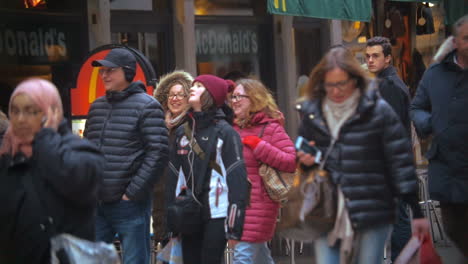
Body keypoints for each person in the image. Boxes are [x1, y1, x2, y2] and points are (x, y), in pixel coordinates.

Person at [296, 46, 429, 264]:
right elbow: (303, 156)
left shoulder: (377, 110)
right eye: (330, 84)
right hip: (327, 210)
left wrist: (415, 210)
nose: (336, 91)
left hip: (371, 210)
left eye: (342, 83)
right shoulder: (313, 113)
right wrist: (306, 161)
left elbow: (400, 161)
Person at [0, 78, 103, 263]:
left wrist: (45, 139)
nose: (21, 119)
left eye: (32, 111)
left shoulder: (78, 150)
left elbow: (75, 181)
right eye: (15, 111)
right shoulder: (7, 155)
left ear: (52, 111)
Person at [84, 48, 169, 264]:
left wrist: (132, 192)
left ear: (128, 72)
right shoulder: (97, 107)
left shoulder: (148, 106)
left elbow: (158, 152)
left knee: (134, 260)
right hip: (97, 202)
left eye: (110, 70)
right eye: (102, 71)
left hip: (129, 204)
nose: (104, 75)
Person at [166, 74, 249, 264]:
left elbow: (237, 180)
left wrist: (234, 227)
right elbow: (174, 178)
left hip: (217, 213)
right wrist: (171, 224)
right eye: (193, 85)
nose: (193, 88)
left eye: (200, 86)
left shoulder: (226, 133)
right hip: (188, 213)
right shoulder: (182, 132)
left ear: (211, 95)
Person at [410, 14, 468, 257]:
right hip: (448, 173)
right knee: (455, 233)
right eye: (466, 38)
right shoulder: (435, 74)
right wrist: (430, 123)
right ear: (455, 42)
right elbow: (417, 107)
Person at [230, 78, 296, 264]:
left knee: (242, 256)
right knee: (258, 255)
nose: (234, 101)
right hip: (237, 203)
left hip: (260, 204)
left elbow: (291, 161)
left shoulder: (271, 128)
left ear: (254, 99)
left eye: (239, 97)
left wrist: (259, 146)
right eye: (232, 97)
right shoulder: (232, 128)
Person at [365, 36, 412, 261]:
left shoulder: (390, 87)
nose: (370, 60)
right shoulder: (383, 84)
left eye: (375, 56)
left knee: (399, 219)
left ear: (388, 59)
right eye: (367, 56)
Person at [152, 70, 193, 245]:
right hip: (160, 196)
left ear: (188, 99)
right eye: (171, 95)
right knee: (166, 246)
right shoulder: (157, 126)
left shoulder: (193, 125)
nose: (175, 99)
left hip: (184, 196)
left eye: (180, 95)